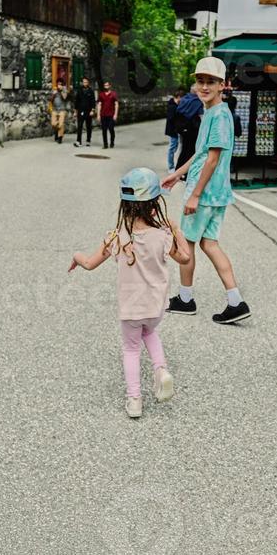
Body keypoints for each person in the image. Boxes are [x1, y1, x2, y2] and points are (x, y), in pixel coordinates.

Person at [70, 167, 192, 418]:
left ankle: (135, 399)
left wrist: (76, 256)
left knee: (131, 348)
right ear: (154, 205)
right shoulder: (162, 235)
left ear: (125, 206)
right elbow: (185, 257)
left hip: (131, 308)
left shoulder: (117, 237)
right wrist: (176, 229)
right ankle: (160, 369)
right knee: (150, 331)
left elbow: (90, 263)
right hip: (156, 306)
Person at [162, 56, 250, 324]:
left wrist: (195, 194)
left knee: (185, 244)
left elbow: (212, 159)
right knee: (209, 243)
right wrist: (176, 175)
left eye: (210, 82)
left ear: (223, 85)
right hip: (215, 193)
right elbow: (200, 154)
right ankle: (236, 302)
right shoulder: (211, 113)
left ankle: (186, 300)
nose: (204, 86)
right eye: (200, 81)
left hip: (206, 193)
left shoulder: (220, 116)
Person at [173, 88, 203, 171]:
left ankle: (178, 169)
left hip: (182, 128)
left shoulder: (184, 99)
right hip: (193, 130)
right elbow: (201, 116)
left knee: (184, 149)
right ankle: (186, 171)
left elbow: (178, 111)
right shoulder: (197, 101)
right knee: (191, 151)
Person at [164, 87, 185, 171]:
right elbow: (171, 118)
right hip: (173, 131)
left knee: (175, 147)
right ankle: (171, 167)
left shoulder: (176, 105)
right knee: (172, 148)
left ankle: (173, 165)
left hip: (176, 130)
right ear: (179, 97)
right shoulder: (172, 106)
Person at [74, 76, 97, 147]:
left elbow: (93, 101)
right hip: (81, 110)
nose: (85, 83)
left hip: (88, 111)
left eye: (86, 82)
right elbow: (76, 101)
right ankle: (78, 141)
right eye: (84, 82)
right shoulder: (79, 90)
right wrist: (75, 111)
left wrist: (92, 110)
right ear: (82, 83)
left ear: (88, 83)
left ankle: (88, 140)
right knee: (80, 126)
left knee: (88, 126)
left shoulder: (91, 91)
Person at [47, 78, 70, 143]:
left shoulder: (65, 90)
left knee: (61, 124)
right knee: (53, 124)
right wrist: (54, 94)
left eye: (60, 84)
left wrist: (62, 90)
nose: (59, 85)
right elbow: (50, 99)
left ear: (63, 85)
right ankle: (57, 131)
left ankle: (60, 137)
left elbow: (64, 98)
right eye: (58, 84)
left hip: (62, 110)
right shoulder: (54, 90)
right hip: (54, 109)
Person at [98, 80, 119, 149]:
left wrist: (115, 114)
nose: (106, 87)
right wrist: (98, 114)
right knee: (104, 130)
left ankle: (112, 142)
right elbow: (99, 105)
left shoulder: (113, 94)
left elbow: (116, 104)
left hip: (111, 114)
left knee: (111, 129)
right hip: (103, 114)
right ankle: (105, 144)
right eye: (105, 86)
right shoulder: (101, 94)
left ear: (110, 86)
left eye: (107, 85)